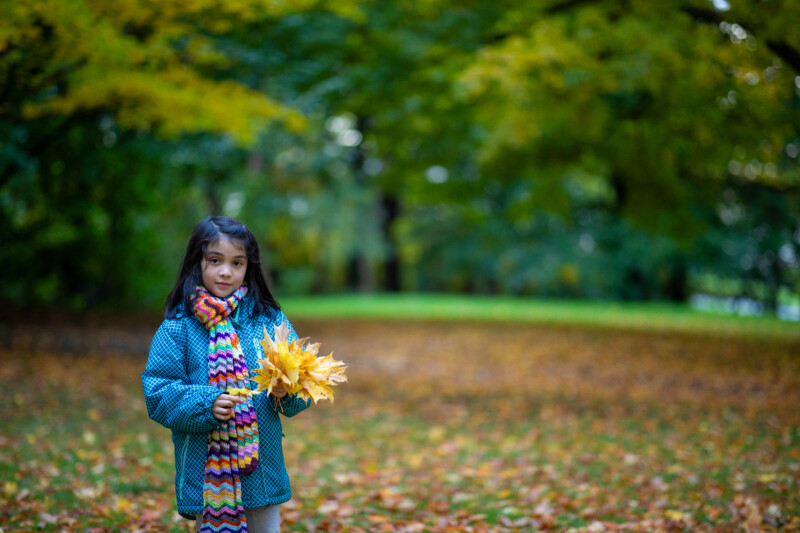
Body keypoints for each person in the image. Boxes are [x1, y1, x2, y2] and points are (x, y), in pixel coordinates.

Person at [142, 215, 310, 533]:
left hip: (262, 467)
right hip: (209, 475)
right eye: (215, 260)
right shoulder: (179, 326)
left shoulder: (268, 320)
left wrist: (287, 391)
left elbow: (302, 380)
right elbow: (157, 390)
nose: (225, 271)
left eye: (237, 263)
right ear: (198, 262)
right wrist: (207, 404)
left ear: (249, 267)